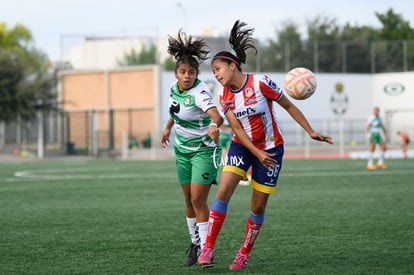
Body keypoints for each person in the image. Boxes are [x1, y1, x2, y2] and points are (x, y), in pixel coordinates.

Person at [197, 20, 333, 270]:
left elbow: (289, 106)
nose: (216, 75)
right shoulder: (223, 95)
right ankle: (209, 247)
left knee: (258, 205)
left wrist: (310, 131)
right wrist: (255, 152)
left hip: (271, 150)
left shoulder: (261, 83)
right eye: (213, 72)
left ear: (232, 65)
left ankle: (244, 253)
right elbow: (236, 127)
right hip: (243, 146)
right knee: (223, 190)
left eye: (218, 69)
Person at [160, 30, 223, 267]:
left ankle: (207, 250)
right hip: (182, 150)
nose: (187, 76)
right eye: (183, 72)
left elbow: (216, 116)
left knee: (198, 200)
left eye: (192, 72)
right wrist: (167, 128)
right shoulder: (174, 89)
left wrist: (215, 126)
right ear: (176, 73)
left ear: (197, 74)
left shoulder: (200, 92)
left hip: (203, 151)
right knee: (188, 199)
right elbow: (175, 111)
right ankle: (196, 243)